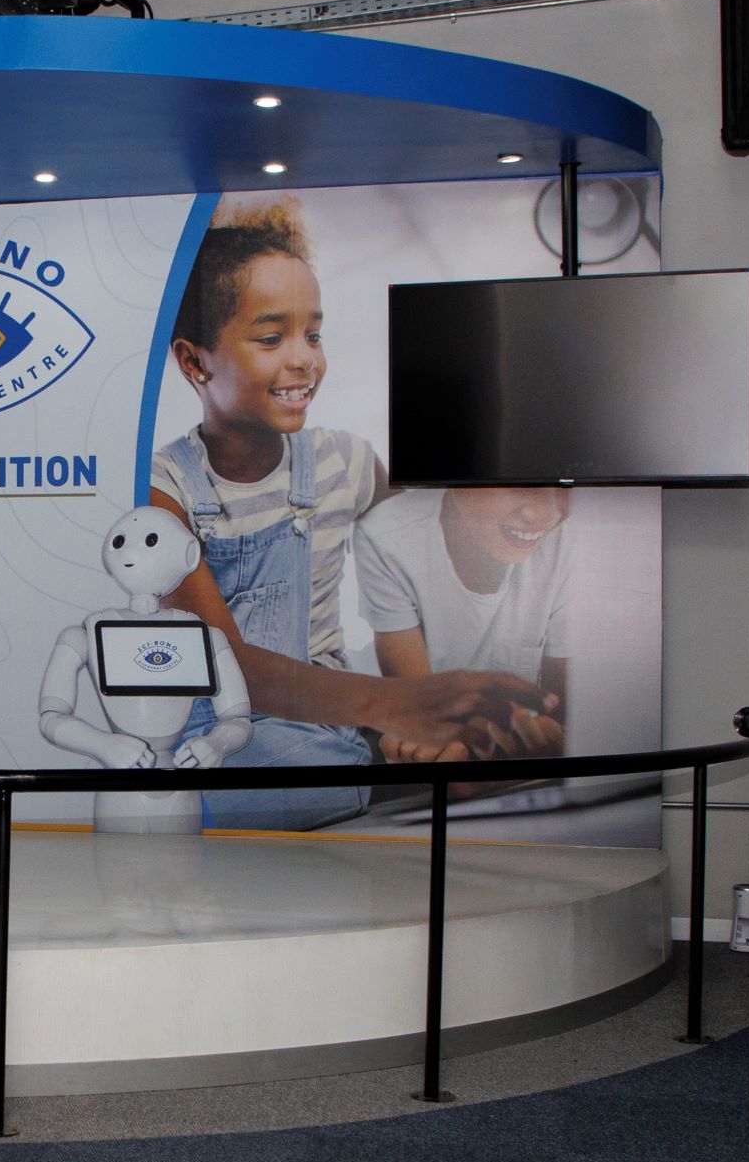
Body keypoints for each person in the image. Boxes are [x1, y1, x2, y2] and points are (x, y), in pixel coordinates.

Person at [148, 197, 551, 829]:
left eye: (313, 334)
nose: (305, 358)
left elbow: (424, 563)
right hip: (223, 738)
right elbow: (221, 663)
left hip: (338, 728)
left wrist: (440, 712)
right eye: (271, 337)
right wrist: (393, 704)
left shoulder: (347, 462)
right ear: (195, 360)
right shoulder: (162, 489)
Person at [355, 487, 573, 760]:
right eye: (519, 485)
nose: (546, 515)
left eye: (565, 486)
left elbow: (567, 721)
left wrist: (556, 740)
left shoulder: (573, 542)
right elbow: (428, 725)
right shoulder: (387, 534)